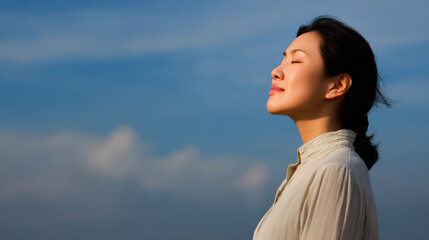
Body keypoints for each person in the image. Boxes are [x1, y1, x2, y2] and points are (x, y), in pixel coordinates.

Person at [252, 16, 391, 240]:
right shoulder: (315, 168)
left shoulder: (335, 170)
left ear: (337, 85)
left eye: (295, 62)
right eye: (284, 59)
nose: (276, 71)